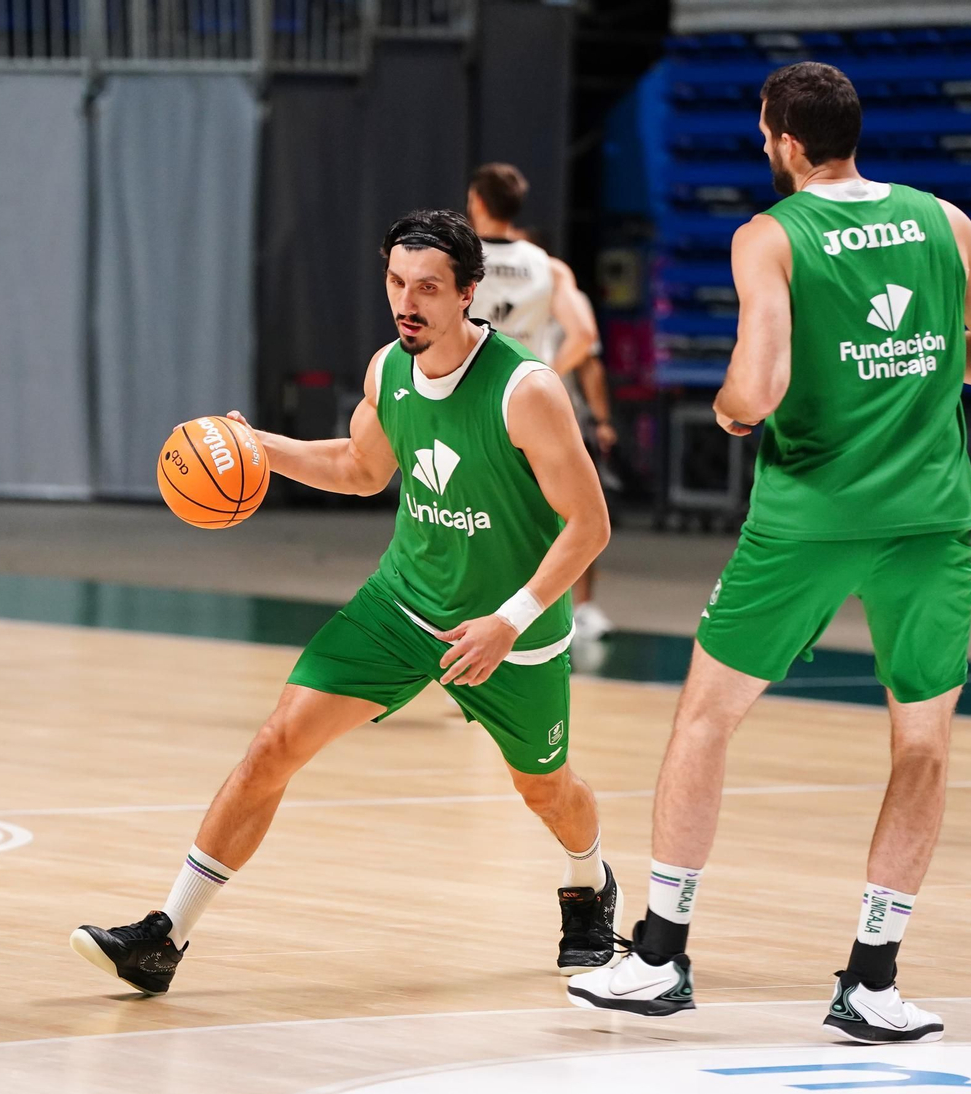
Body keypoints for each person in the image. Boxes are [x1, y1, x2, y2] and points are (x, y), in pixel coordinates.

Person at [567, 62, 971, 1043]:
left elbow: (756, 380)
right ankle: (871, 976)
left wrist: (736, 410)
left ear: (782, 139)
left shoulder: (770, 235)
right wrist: (926, 370)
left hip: (811, 514)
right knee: (922, 743)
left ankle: (660, 954)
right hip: (928, 514)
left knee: (705, 720)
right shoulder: (942, 221)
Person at [71, 210, 619, 994]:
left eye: (428, 287)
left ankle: (588, 887)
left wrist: (511, 620)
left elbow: (590, 525)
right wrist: (259, 445)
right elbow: (361, 468)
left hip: (508, 625)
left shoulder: (526, 391)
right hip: (402, 603)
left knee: (545, 789)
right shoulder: (388, 370)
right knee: (274, 745)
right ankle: (164, 938)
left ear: (469, 294)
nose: (408, 301)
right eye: (397, 282)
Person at [466, 164, 615, 639]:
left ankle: (468, 630)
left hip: (472, 399)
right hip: (531, 402)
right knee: (567, 510)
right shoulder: (548, 266)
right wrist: (547, 370)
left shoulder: (461, 259)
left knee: (467, 521)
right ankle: (566, 615)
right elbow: (585, 334)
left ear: (478, 203)